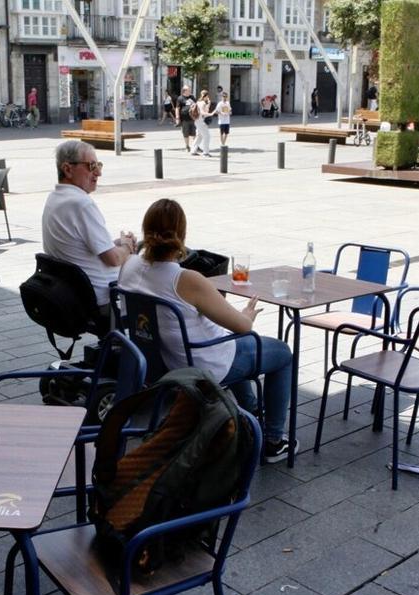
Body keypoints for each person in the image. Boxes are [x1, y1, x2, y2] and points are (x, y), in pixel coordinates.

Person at [118, 198, 294, 463]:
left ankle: (250, 418)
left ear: (146, 231)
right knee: (280, 352)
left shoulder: (129, 266)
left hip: (156, 362)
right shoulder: (186, 279)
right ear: (182, 235)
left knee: (236, 347)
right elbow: (242, 326)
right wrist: (247, 313)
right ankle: (273, 441)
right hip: (199, 364)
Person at [42, 140, 135, 314]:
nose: (98, 173)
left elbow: (82, 246)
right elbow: (113, 259)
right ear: (68, 169)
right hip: (102, 298)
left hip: (72, 292)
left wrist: (117, 244)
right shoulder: (81, 204)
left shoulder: (55, 198)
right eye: (91, 166)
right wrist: (127, 246)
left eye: (99, 165)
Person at [191, 89, 212, 157]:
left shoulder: (198, 102)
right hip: (201, 122)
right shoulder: (202, 103)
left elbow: (204, 110)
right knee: (207, 136)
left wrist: (208, 104)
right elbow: (203, 112)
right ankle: (205, 152)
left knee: (199, 136)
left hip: (197, 121)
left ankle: (193, 151)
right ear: (206, 96)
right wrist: (210, 114)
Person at [176, 85, 196, 152]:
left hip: (193, 118)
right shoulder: (180, 98)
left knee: (194, 133)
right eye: (189, 90)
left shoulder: (192, 97)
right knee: (186, 133)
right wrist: (177, 117)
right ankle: (187, 146)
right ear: (184, 91)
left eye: (190, 90)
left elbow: (196, 105)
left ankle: (195, 146)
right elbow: (177, 108)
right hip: (184, 119)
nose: (190, 91)